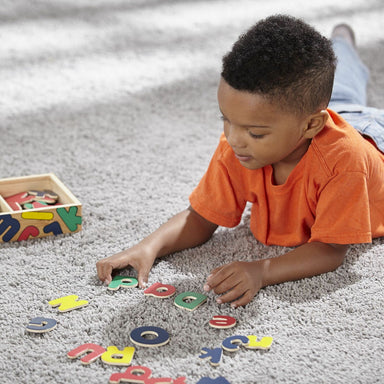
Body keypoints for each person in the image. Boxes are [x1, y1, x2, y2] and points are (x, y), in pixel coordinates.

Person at [97, 15, 384, 308]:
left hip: (372, 140)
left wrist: (262, 270)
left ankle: (340, 45)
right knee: (343, 86)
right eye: (226, 120)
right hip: (326, 115)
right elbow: (200, 218)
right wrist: (148, 246)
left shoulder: (345, 163)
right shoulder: (240, 146)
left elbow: (330, 250)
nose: (233, 139)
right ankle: (342, 41)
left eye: (255, 132)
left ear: (311, 126)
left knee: (345, 87)